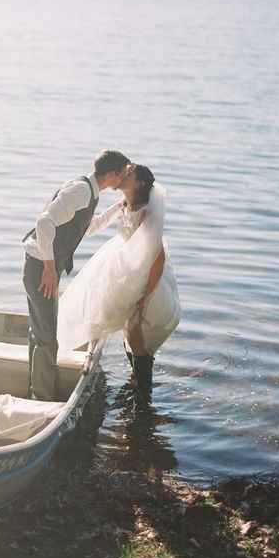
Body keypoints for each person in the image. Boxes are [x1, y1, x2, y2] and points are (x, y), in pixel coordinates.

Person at [57, 164, 180, 395]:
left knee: (136, 334)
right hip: (122, 271)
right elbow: (96, 225)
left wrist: (146, 296)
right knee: (127, 331)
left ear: (140, 183)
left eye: (129, 173)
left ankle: (143, 391)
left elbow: (158, 259)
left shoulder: (147, 212)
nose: (123, 174)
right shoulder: (123, 204)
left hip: (145, 278)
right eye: (123, 170)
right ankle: (136, 384)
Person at [22, 150, 131, 400]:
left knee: (40, 332)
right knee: (47, 338)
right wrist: (49, 269)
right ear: (112, 174)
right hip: (40, 268)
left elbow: (86, 227)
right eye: (123, 174)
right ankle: (42, 398)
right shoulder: (81, 191)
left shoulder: (89, 192)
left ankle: (36, 390)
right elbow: (44, 223)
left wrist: (117, 208)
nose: (123, 180)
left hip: (41, 266)